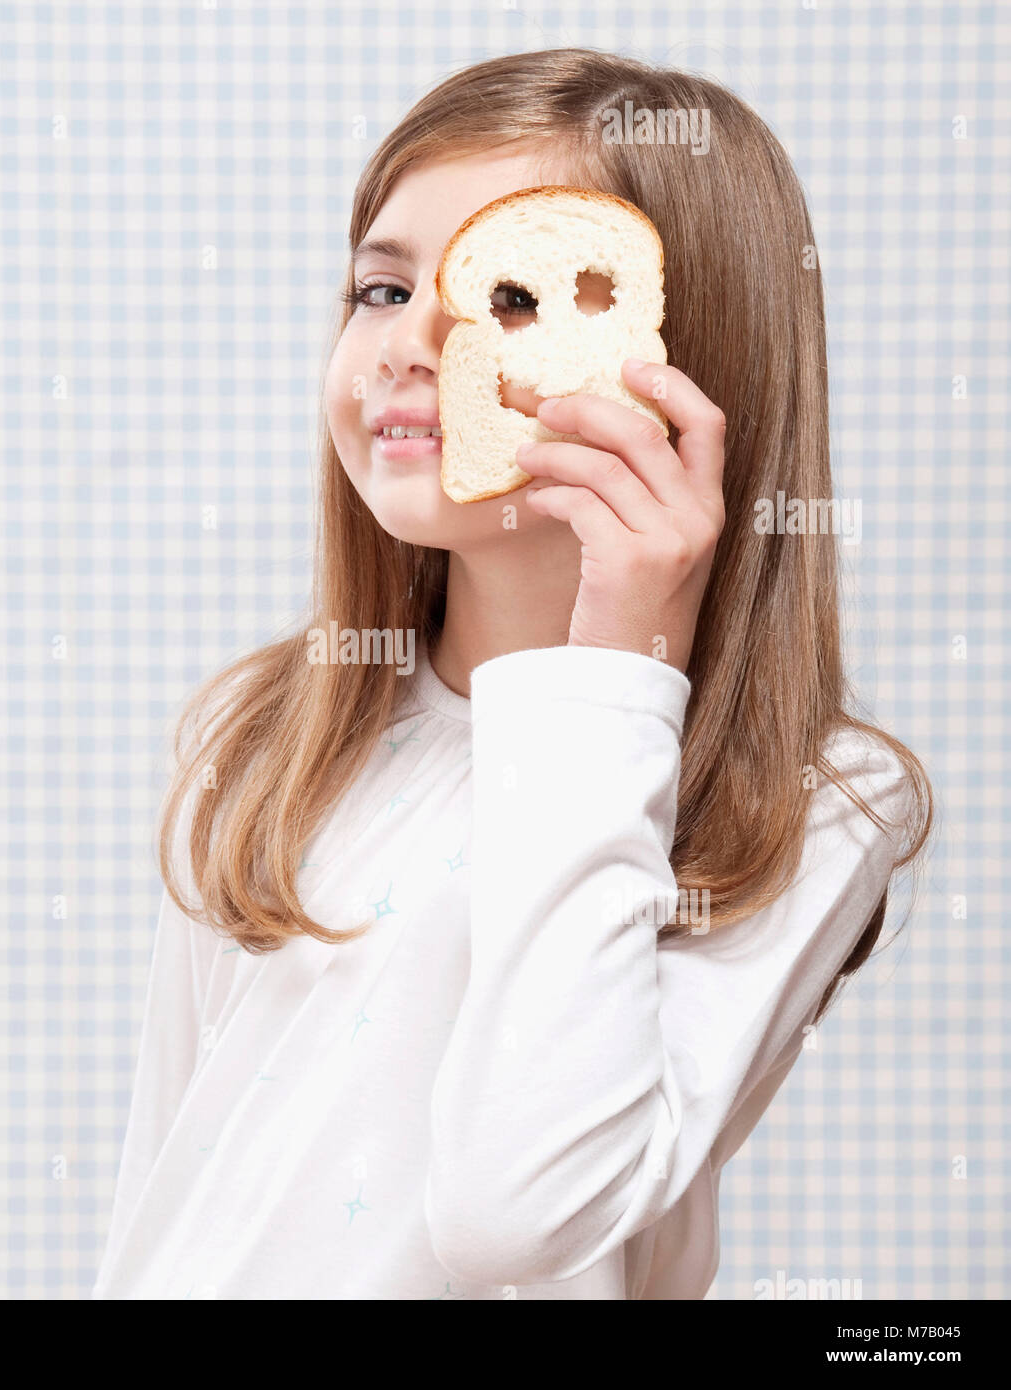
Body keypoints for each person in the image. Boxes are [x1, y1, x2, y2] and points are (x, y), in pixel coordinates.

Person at [92, 48, 932, 1300]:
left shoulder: (809, 803)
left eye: (515, 299)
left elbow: (517, 1214)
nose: (411, 342)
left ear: (681, 353)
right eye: (381, 289)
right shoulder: (271, 727)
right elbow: (165, 1187)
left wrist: (618, 654)